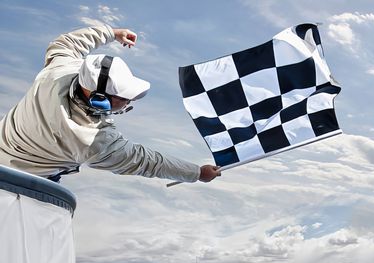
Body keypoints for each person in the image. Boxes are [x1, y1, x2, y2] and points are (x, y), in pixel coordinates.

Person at [0, 24, 220, 184]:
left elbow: (67, 42)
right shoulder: (91, 140)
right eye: (123, 99)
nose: (128, 103)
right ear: (100, 100)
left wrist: (112, 33)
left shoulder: (59, 70)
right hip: (21, 179)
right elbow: (145, 161)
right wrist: (197, 173)